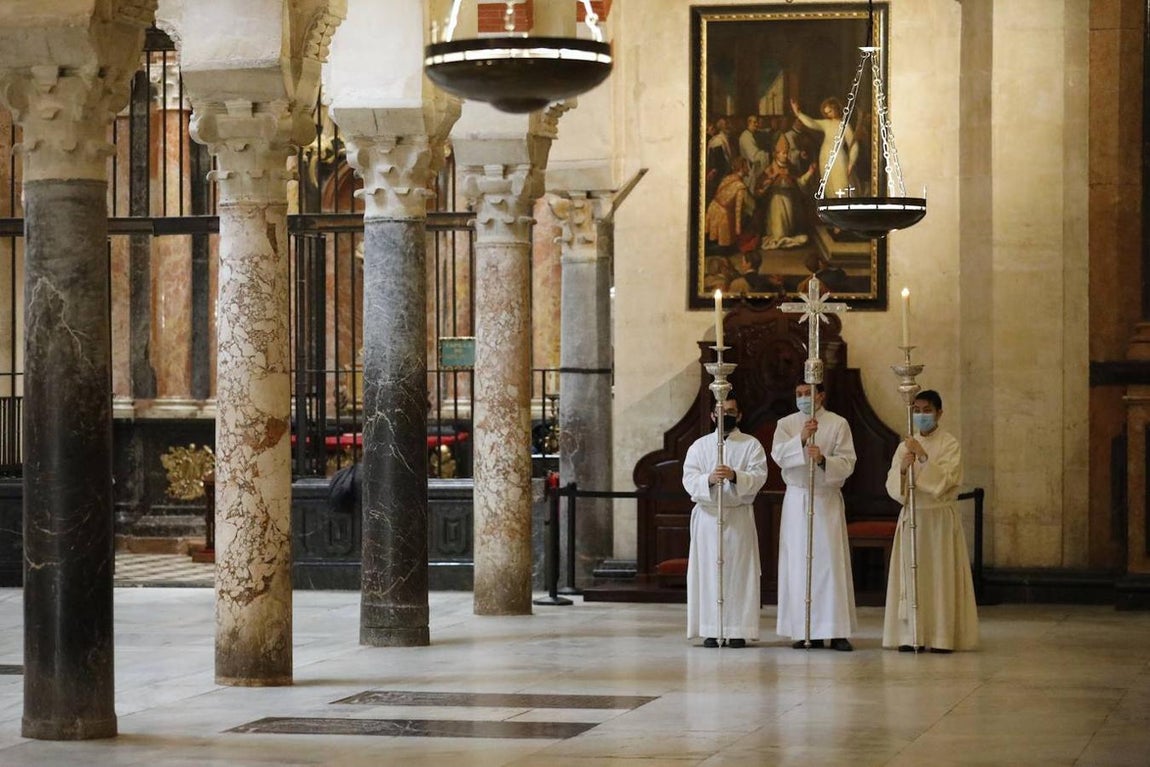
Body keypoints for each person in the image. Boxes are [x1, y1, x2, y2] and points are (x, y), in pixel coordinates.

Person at [882, 390, 979, 653]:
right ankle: (910, 633)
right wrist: (903, 468)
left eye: (927, 410)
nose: (921, 415)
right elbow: (893, 486)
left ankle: (940, 636)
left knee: (938, 575)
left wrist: (923, 456)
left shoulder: (949, 443)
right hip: (913, 514)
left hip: (938, 518)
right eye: (917, 410)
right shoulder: (904, 445)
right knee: (911, 576)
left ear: (939, 413)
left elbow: (948, 481)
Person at [771, 382, 858, 650]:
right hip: (797, 498)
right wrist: (800, 439)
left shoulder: (837, 423)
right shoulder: (786, 423)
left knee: (830, 562)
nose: (802, 398)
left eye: (807, 394)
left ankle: (836, 630)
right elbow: (777, 455)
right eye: (798, 394)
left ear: (821, 395)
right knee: (798, 564)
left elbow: (847, 462)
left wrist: (822, 460)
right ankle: (804, 628)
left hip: (825, 498)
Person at [682, 394, 769, 648]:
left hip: (737, 515)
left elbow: (759, 475)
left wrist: (734, 476)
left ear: (739, 415)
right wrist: (708, 479)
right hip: (709, 518)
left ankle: (737, 629)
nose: (726, 416)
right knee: (708, 572)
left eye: (731, 411)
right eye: (721, 412)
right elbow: (689, 479)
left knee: (739, 572)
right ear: (712, 416)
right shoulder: (699, 446)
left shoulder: (751, 445)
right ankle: (711, 627)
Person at [790, 97, 859, 199]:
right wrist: (798, 113)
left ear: (836, 108)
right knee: (829, 186)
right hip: (824, 159)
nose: (828, 115)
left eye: (830, 111)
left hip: (838, 159)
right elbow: (812, 123)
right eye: (826, 113)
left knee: (840, 185)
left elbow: (853, 146)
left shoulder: (845, 125)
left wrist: (851, 163)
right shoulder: (827, 124)